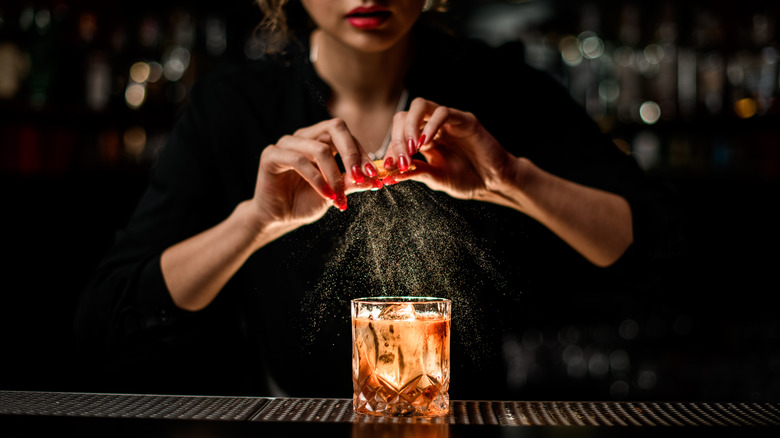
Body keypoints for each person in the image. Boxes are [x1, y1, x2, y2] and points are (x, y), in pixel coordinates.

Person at [75, 0, 680, 399]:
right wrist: (254, 222)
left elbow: (649, 244)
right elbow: (111, 322)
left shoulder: (506, 90)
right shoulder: (232, 108)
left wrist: (512, 179)